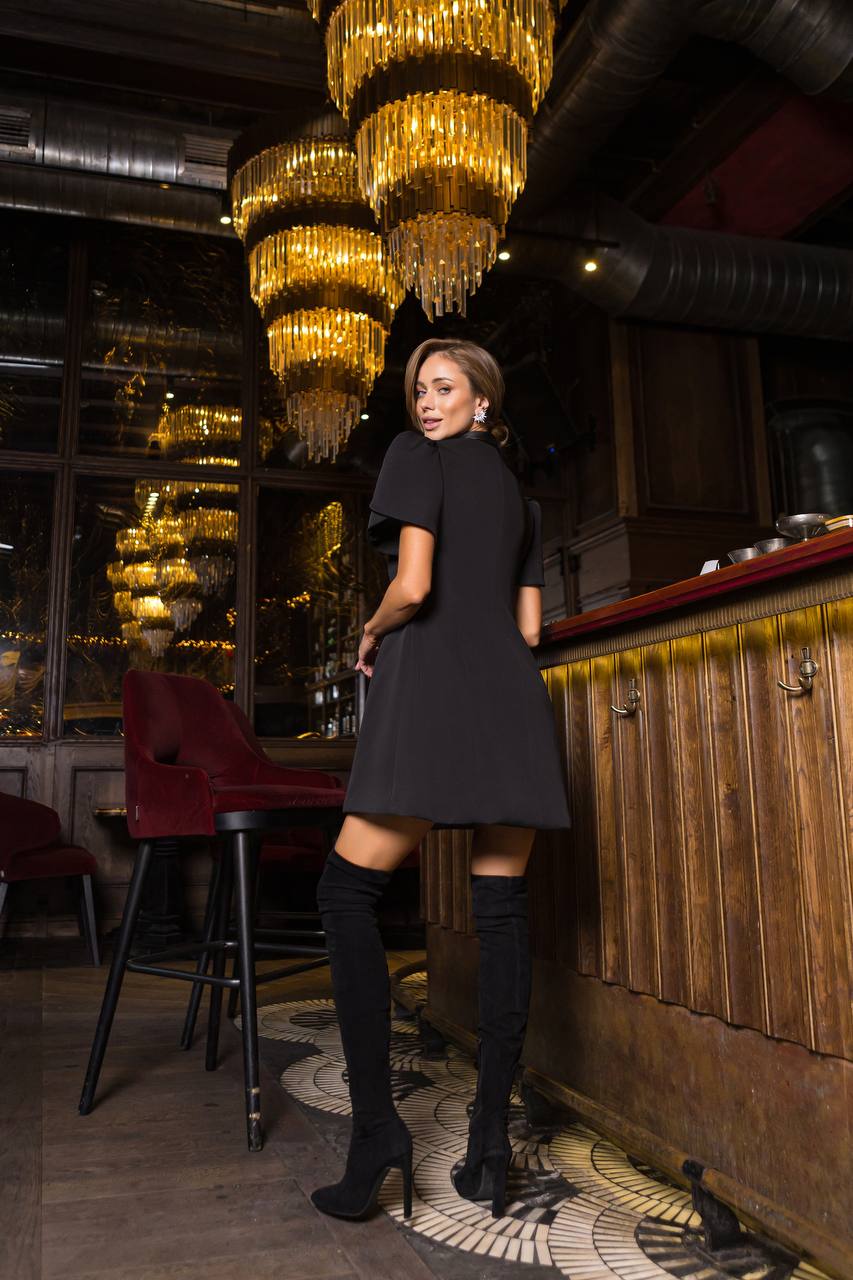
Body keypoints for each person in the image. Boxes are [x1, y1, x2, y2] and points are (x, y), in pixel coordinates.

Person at [310, 338, 571, 1224]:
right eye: (419, 390)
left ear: (480, 401)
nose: (425, 403)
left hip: (430, 693)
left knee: (345, 892)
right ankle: (489, 1145)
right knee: (500, 912)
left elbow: (414, 585)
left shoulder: (413, 458)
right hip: (511, 702)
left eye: (444, 387)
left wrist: (370, 630)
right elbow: (529, 629)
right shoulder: (522, 501)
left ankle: (376, 1133)